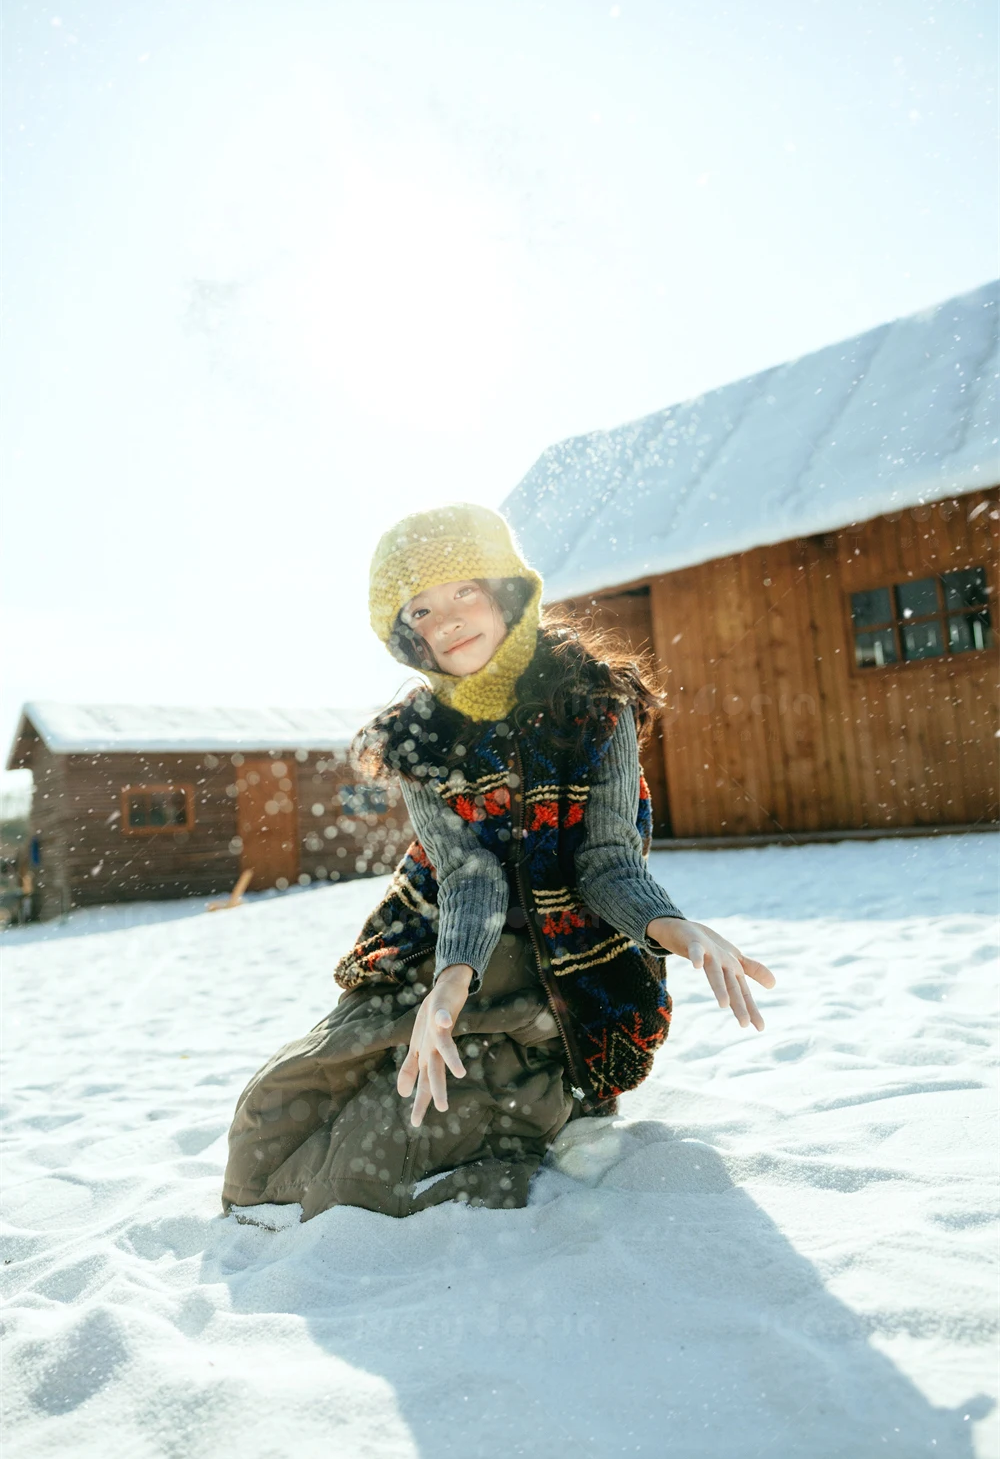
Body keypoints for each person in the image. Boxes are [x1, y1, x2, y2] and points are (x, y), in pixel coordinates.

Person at [221, 503, 775, 1222]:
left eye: (464, 592)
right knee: (279, 1117)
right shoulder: (418, 739)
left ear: (506, 593)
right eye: (422, 609)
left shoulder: (594, 706)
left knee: (382, 1150)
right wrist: (449, 984)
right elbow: (467, 875)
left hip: (565, 959)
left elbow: (606, 862)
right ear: (407, 633)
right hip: (446, 941)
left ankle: (564, 1100)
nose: (448, 621)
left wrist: (675, 928)